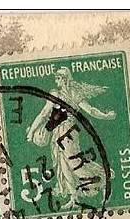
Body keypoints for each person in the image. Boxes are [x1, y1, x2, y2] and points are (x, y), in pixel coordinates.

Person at [26, 67, 115, 211]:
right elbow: (44, 113)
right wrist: (32, 131)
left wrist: (105, 116)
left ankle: (102, 179)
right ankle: (74, 197)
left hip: (68, 133)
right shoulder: (55, 93)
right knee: (62, 164)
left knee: (74, 163)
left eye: (59, 78)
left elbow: (90, 110)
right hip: (56, 133)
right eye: (56, 78)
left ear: (65, 78)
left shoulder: (74, 93)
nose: (56, 80)